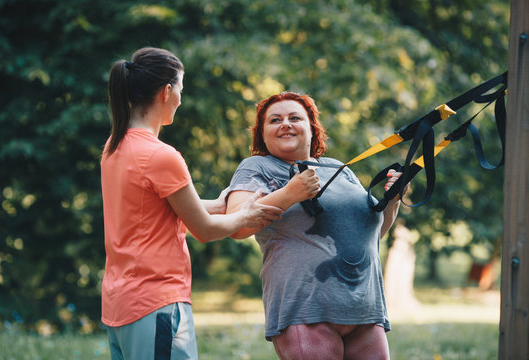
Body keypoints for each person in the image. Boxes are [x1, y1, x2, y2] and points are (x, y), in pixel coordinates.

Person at [100, 48, 317, 360]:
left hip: (120, 301)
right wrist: (246, 215)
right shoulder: (162, 156)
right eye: (181, 92)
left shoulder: (115, 146)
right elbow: (204, 230)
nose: (180, 100)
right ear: (167, 91)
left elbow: (153, 208)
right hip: (156, 301)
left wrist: (219, 203)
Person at [226, 91, 408, 359]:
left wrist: (392, 202)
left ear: (311, 129)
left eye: (294, 117)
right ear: (262, 134)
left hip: (364, 308)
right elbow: (236, 225)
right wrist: (290, 194)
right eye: (275, 120)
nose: (285, 123)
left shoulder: (339, 168)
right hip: (305, 309)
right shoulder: (257, 167)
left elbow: (371, 234)